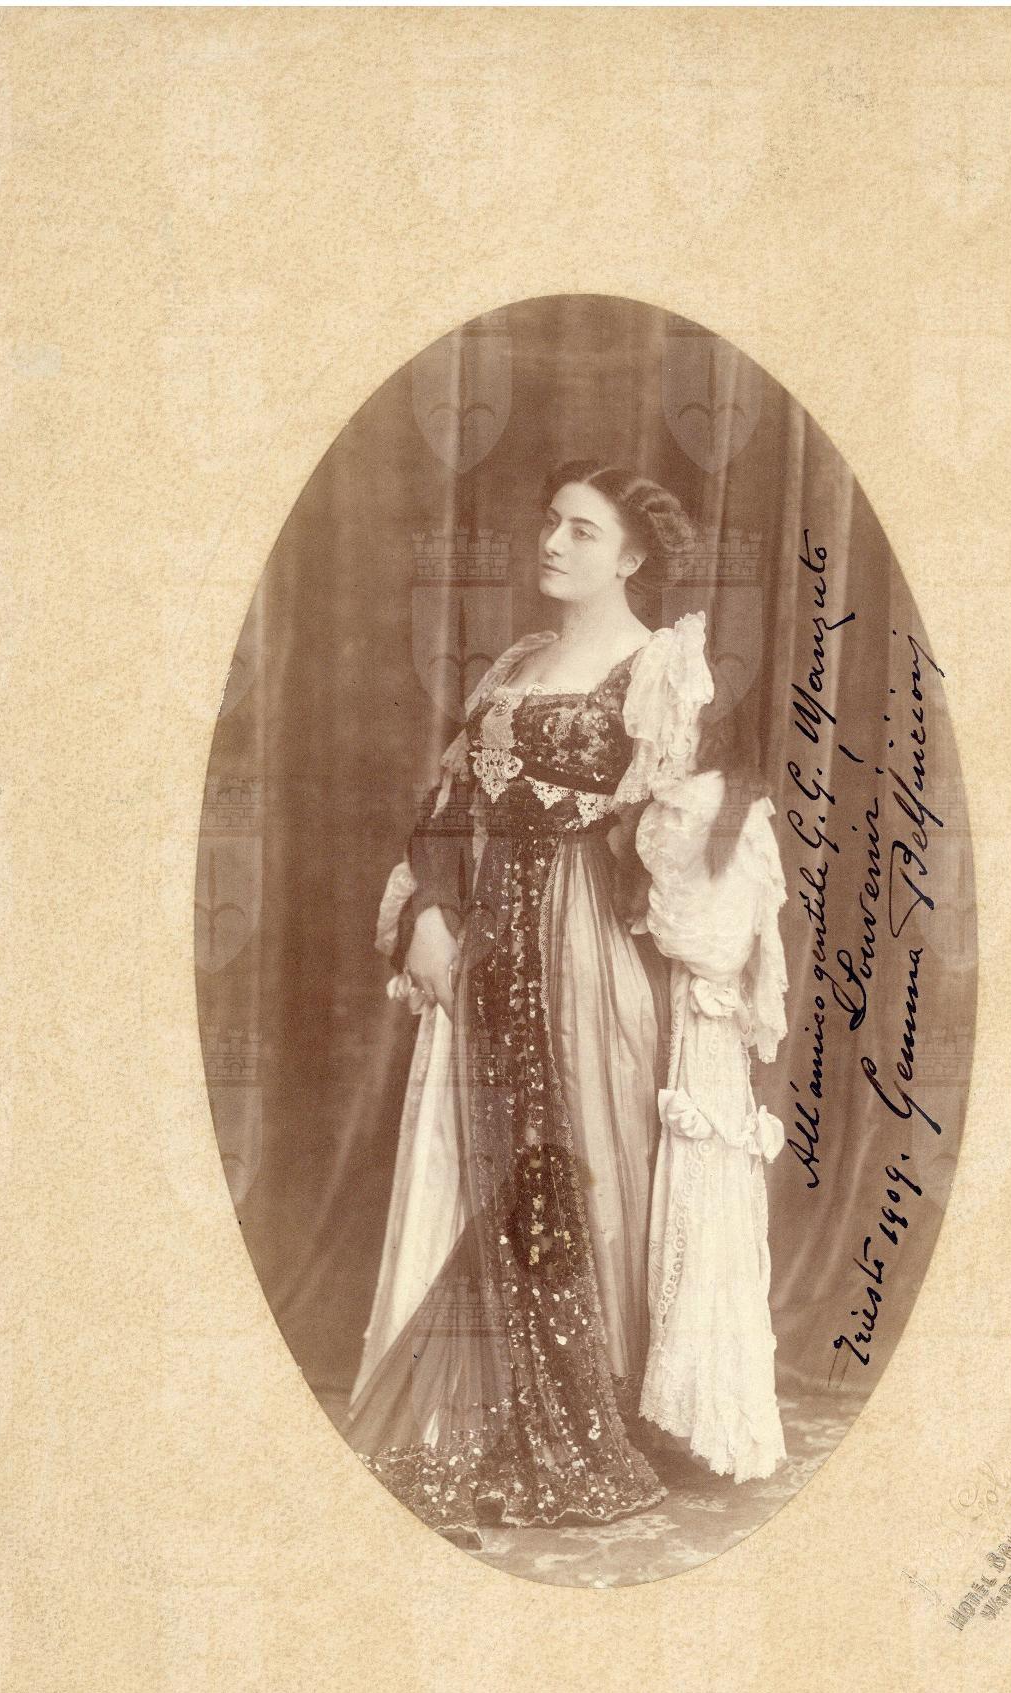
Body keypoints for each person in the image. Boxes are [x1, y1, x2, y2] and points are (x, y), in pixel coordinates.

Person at [341, 460, 788, 1549]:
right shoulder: (515, 667)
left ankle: (604, 1404)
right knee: (482, 1157)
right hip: (487, 942)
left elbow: (689, 832)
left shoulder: (660, 669)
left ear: (631, 557)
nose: (553, 543)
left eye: (582, 531)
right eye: (551, 523)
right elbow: (446, 808)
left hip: (590, 949)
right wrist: (430, 913)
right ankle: (495, 1401)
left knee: (588, 1165)